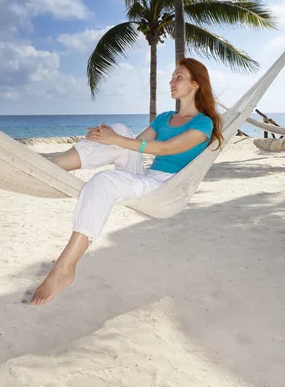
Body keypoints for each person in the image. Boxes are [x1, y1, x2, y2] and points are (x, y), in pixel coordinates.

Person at [30, 58, 223, 306]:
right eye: (172, 76)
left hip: (167, 186)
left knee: (104, 181)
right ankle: (49, 168)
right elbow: (136, 144)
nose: (171, 81)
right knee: (119, 129)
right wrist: (106, 137)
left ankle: (65, 268)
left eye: (179, 77)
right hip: (147, 176)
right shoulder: (165, 117)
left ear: (196, 84)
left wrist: (116, 140)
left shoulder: (203, 123)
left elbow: (164, 149)